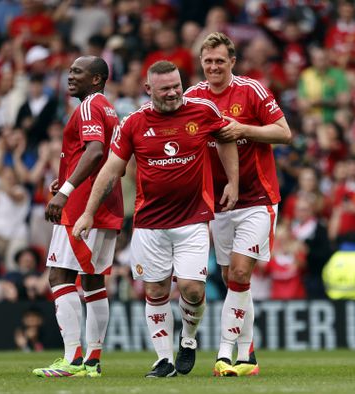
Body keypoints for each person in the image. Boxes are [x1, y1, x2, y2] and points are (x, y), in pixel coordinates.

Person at [73, 60, 239, 378]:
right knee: (156, 290)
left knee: (192, 290)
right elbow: (110, 169)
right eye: (165, 88)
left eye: (176, 85)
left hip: (192, 220)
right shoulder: (134, 123)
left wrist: (233, 181)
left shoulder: (202, 111)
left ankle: (188, 340)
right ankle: (163, 359)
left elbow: (226, 138)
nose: (174, 92)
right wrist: (88, 212)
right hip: (150, 224)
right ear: (149, 90)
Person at [185, 32, 292, 377]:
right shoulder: (194, 98)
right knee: (233, 277)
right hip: (218, 203)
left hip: (258, 197)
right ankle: (249, 357)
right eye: (208, 61)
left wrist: (243, 129)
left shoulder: (252, 91)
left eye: (220, 61)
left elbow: (283, 132)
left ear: (232, 62)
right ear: (202, 63)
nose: (214, 66)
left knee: (242, 273)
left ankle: (224, 354)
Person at [32, 56, 123, 378]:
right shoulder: (108, 107)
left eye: (78, 72)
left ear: (96, 79)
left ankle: (72, 360)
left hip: (83, 207)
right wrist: (68, 176)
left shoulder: (88, 107)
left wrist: (65, 191)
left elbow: (95, 150)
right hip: (106, 204)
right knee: (94, 281)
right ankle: (92, 361)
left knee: (59, 277)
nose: (70, 77)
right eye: (70, 71)